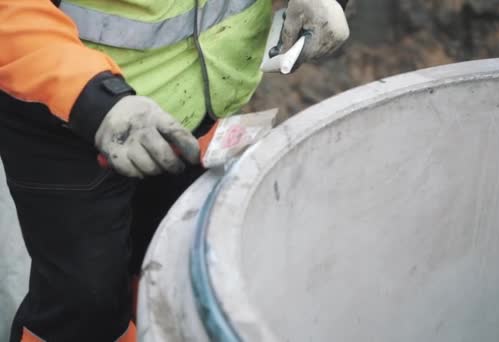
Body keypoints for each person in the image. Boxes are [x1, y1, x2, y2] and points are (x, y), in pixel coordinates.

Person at [0, 0, 349, 340]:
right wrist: (96, 102)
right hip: (69, 118)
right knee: (85, 306)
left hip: (197, 112)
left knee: (166, 267)